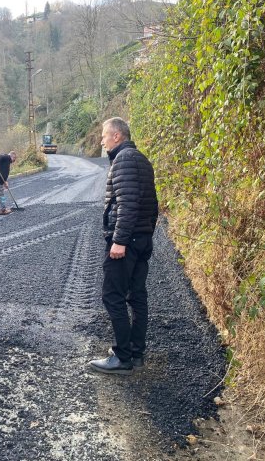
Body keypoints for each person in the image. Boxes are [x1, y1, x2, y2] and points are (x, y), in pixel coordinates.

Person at [89, 117, 158, 375]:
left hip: (126, 241)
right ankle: (136, 351)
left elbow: (127, 204)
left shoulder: (123, 160)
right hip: (141, 239)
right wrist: (146, 233)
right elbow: (153, 204)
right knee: (137, 296)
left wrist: (119, 240)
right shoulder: (142, 159)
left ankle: (122, 356)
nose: (102, 140)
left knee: (112, 295)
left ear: (117, 136)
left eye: (105, 135)